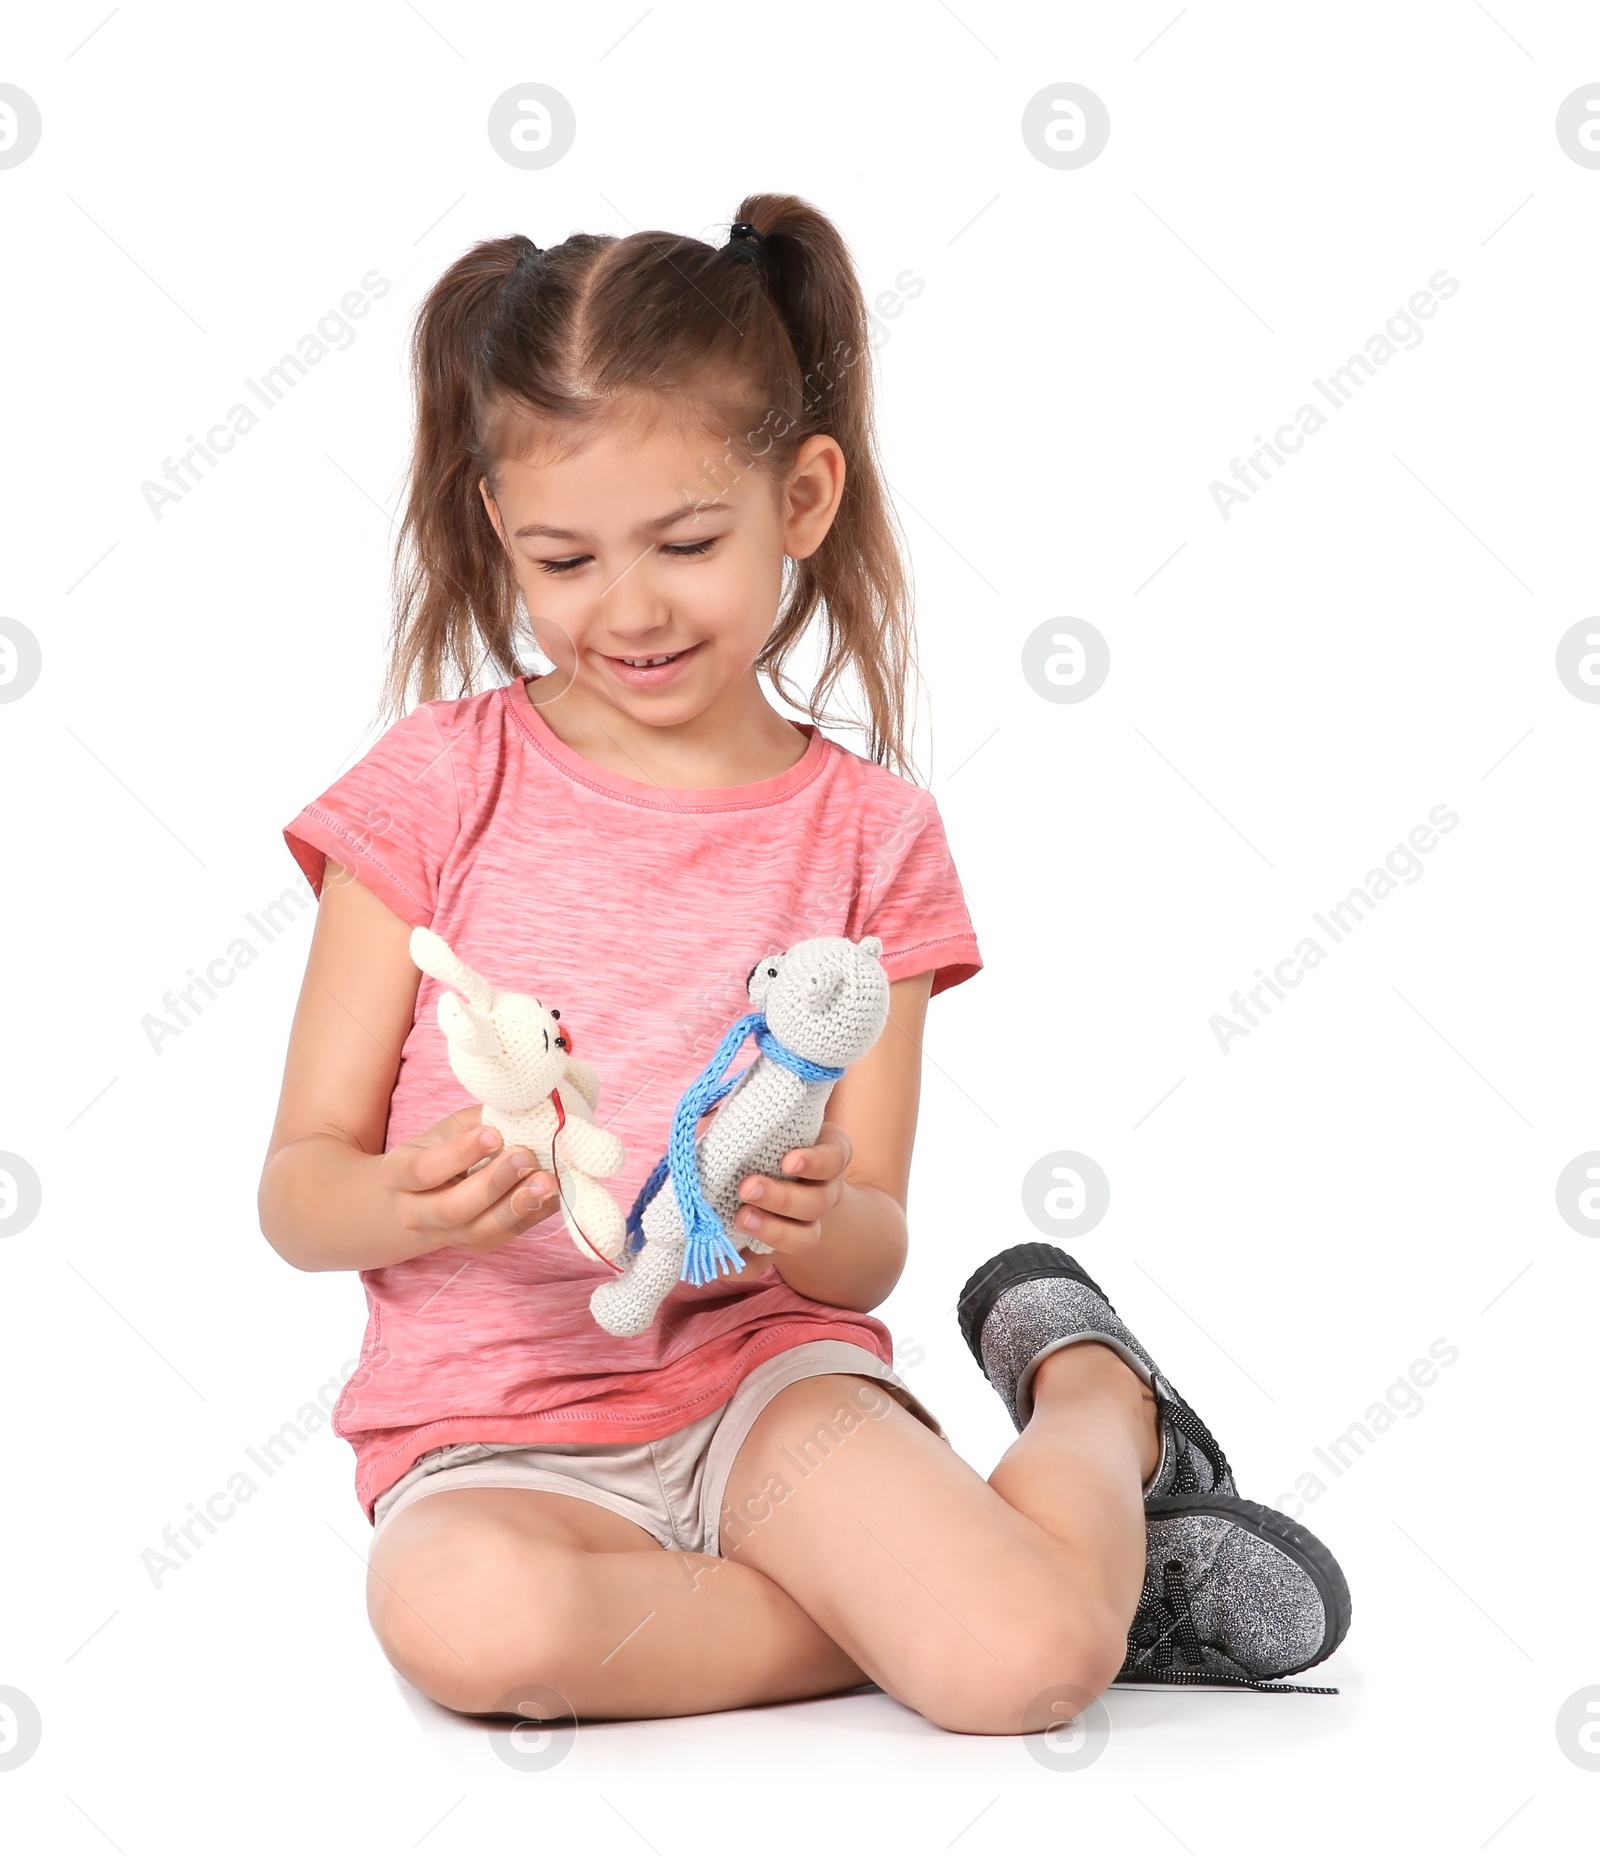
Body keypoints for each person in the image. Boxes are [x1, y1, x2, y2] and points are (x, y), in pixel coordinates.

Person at [257, 195, 1350, 1738]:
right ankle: (995, 1579)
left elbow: (870, 1249)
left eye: (688, 543)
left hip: (767, 1397)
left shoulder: (872, 836)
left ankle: (1098, 1406)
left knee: (1020, 1670)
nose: (626, 610)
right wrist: (394, 1197)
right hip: (494, 1440)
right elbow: (296, 1190)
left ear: (804, 495)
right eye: (564, 558)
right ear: (500, 526)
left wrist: (820, 1219)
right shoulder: (432, 789)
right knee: (462, 1620)